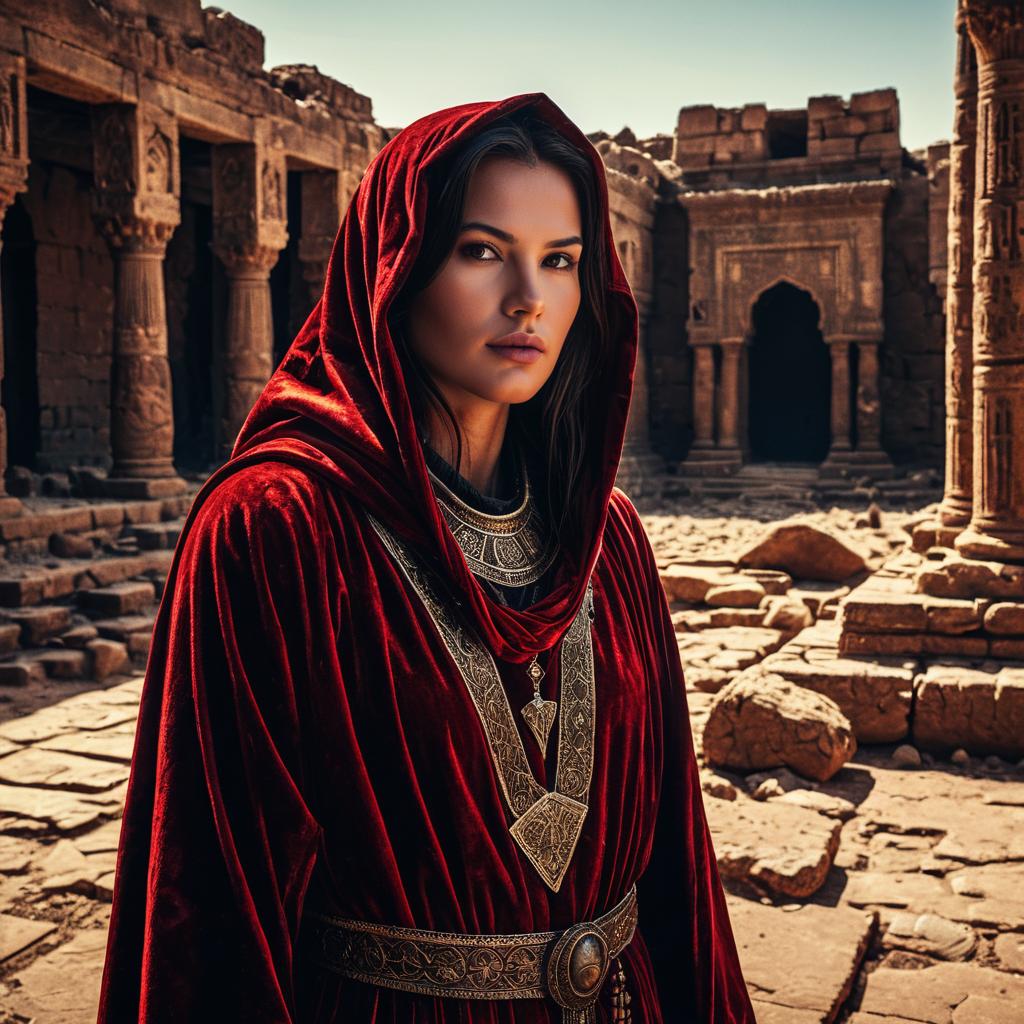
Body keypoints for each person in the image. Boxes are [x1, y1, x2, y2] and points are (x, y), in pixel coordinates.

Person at [96, 92, 755, 1023]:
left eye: (560, 261)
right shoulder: (276, 531)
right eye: (482, 251)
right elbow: (213, 923)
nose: (528, 296)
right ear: (395, 266)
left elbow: (680, 878)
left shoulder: (608, 540)